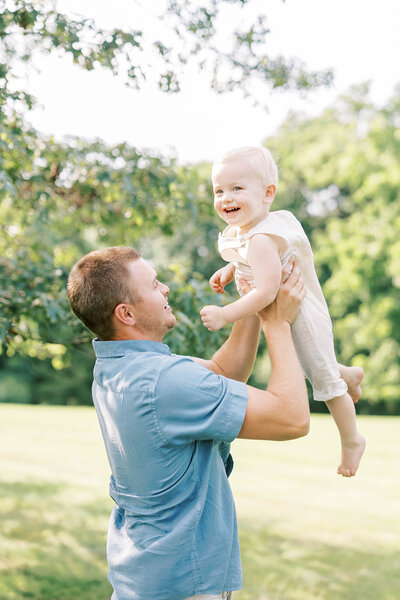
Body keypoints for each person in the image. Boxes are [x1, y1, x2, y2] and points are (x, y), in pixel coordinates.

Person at [67, 245, 309, 600]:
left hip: (149, 577)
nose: (165, 288)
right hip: (182, 584)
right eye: (153, 285)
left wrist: (253, 303)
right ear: (127, 314)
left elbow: (225, 373)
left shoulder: (119, 368)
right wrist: (277, 323)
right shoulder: (165, 382)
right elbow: (292, 418)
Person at [200, 146, 366, 478]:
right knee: (310, 363)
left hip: (302, 313)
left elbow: (265, 292)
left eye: (236, 188)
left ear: (268, 193)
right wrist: (231, 270)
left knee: (324, 382)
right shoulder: (245, 230)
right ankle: (350, 374)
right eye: (219, 190)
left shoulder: (262, 238)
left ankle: (352, 438)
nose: (225, 197)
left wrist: (226, 314)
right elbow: (247, 259)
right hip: (291, 309)